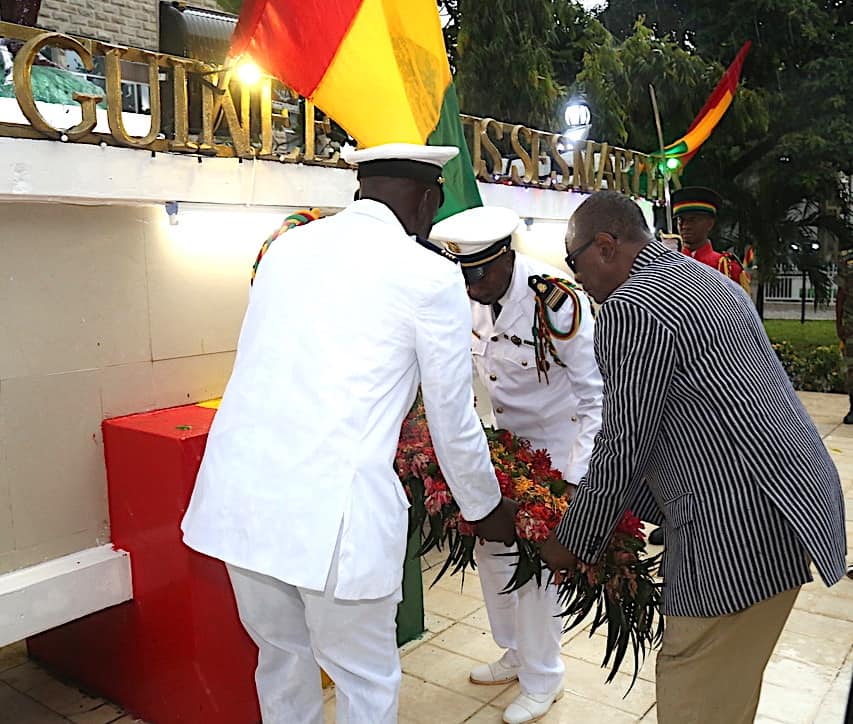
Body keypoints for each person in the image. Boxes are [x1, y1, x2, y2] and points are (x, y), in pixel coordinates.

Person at [181, 143, 518, 724]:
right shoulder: (429, 274)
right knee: (365, 677)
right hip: (331, 519)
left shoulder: (286, 250)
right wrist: (484, 506)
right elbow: (452, 416)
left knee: (281, 661)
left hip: (241, 504)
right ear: (425, 198)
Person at [541, 191, 847, 724]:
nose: (575, 279)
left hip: (740, 529)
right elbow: (684, 419)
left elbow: (623, 441)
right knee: (726, 688)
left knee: (694, 689)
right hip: (794, 502)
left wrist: (574, 540)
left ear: (607, 246)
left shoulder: (632, 307)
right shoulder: (705, 278)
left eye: (574, 262)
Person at [430, 207, 603, 724]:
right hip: (505, 447)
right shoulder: (468, 295)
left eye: (480, 273)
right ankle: (515, 652)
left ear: (507, 258)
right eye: (463, 275)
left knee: (539, 571)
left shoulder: (557, 303)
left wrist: (575, 482)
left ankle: (544, 676)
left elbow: (595, 396)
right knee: (494, 556)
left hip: (558, 450)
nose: (471, 287)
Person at [672, 185, 750, 292]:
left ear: (710, 223)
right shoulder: (668, 265)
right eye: (681, 220)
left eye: (692, 220)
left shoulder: (727, 268)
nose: (685, 226)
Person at [835, 246, 853, 423]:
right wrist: (838, 323)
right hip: (851, 325)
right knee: (851, 367)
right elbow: (840, 295)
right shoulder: (848, 261)